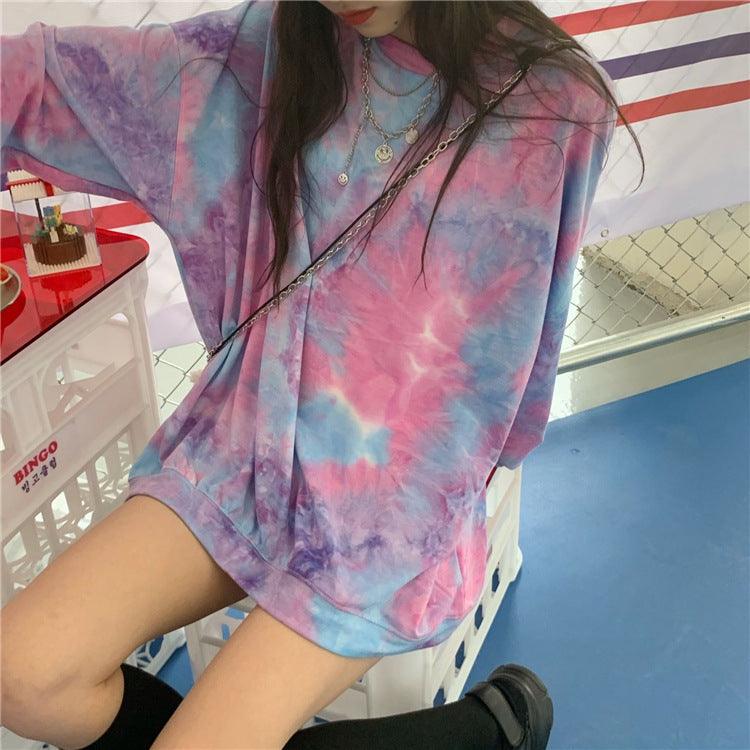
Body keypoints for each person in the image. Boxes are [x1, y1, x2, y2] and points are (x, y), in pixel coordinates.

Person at [0, 1, 641, 748]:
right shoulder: (269, 50)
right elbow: (49, 79)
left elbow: (533, 335)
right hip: (240, 454)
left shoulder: (557, 106)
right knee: (21, 673)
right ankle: (485, 730)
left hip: (391, 508)